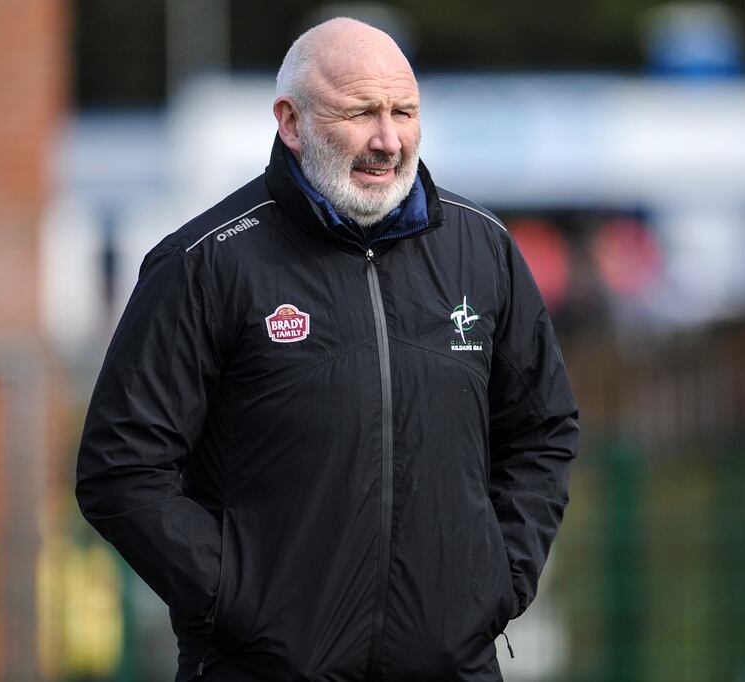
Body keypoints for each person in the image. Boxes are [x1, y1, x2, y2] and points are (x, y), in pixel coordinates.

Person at [76, 17, 579, 681]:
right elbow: (121, 467)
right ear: (291, 122)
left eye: (404, 112)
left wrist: (498, 580)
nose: (388, 140)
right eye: (360, 113)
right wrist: (239, 599)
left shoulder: (483, 250)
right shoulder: (203, 264)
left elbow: (543, 430)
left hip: (451, 667)